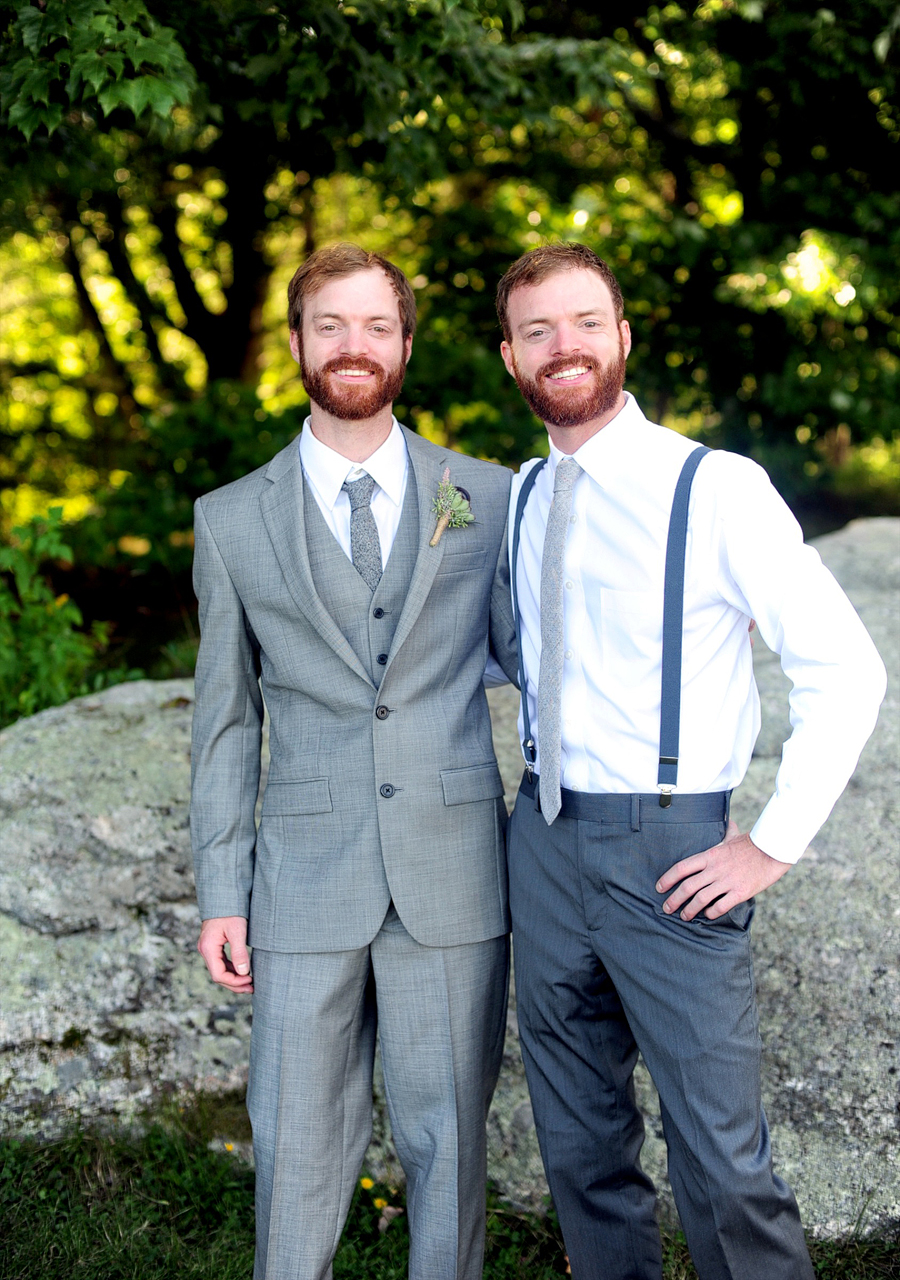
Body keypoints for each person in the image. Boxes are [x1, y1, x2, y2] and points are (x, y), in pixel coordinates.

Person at [496, 241, 886, 1280]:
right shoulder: (523, 495)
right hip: (539, 835)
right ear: (510, 357)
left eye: (585, 322)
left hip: (668, 844)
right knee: (578, 1140)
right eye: (539, 331)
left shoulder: (714, 487)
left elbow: (846, 668)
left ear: (623, 337)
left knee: (722, 1154)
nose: (564, 346)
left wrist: (769, 841)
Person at [190, 243, 517, 1280]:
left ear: (407, 345)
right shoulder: (232, 517)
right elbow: (225, 719)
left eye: (376, 325)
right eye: (330, 324)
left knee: (450, 1145)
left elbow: (548, 663)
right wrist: (220, 889)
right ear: (295, 343)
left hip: (455, 868)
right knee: (295, 1144)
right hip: (299, 877)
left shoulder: (489, 497)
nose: (353, 345)